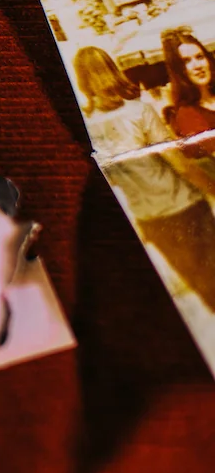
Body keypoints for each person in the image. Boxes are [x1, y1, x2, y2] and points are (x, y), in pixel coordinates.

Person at [75, 45, 215, 311]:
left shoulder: (88, 128)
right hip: (185, 207)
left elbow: (111, 180)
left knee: (203, 287)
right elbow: (179, 164)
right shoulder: (138, 111)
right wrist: (211, 189)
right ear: (112, 69)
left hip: (150, 219)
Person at [163, 28, 215, 149]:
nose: (197, 66)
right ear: (178, 69)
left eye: (200, 57)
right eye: (186, 61)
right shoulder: (187, 114)